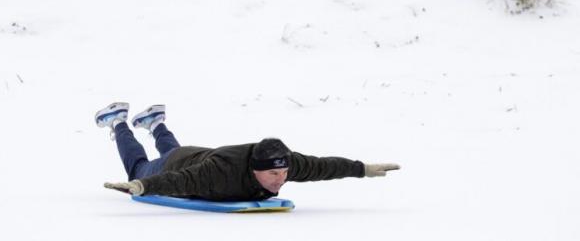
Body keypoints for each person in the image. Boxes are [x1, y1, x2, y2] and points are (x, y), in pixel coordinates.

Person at [96, 102, 400, 202]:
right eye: (273, 174)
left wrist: (363, 169)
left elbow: (323, 166)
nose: (281, 180)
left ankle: (156, 122)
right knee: (140, 168)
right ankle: (120, 121)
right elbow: (181, 181)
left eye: (284, 173)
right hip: (183, 165)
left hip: (193, 155)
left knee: (177, 153)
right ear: (254, 167)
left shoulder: (284, 162)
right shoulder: (219, 173)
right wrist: (141, 186)